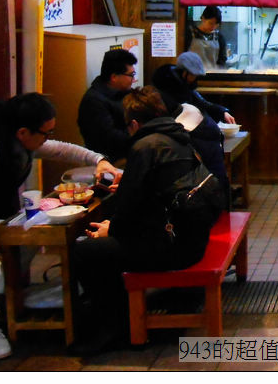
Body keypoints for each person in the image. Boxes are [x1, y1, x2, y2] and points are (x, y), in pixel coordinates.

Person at [0, 93, 121, 360]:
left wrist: (99, 160)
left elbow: (63, 149)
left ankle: (12, 306)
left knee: (26, 237)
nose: (48, 139)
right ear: (23, 131)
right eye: (45, 133)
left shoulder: (19, 142)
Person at [72, 86, 225, 354]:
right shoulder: (178, 136)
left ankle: (113, 326)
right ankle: (121, 317)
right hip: (193, 237)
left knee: (86, 251)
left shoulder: (145, 146)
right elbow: (155, 190)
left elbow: (129, 209)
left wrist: (112, 229)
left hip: (175, 247)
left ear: (133, 123)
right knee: (106, 239)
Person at [77, 48, 138, 163]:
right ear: (114, 77)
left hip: (131, 151)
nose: (133, 79)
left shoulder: (126, 92)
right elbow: (109, 139)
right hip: (109, 161)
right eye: (131, 75)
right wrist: (137, 134)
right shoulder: (93, 101)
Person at [152, 51, 236, 125]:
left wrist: (222, 112)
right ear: (184, 73)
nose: (195, 78)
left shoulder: (185, 84)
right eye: (193, 75)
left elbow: (202, 102)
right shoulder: (164, 88)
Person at [184, 5, 229, 71]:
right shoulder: (190, 34)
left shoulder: (219, 37)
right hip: (193, 75)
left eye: (216, 24)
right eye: (210, 23)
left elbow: (222, 59)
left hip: (212, 75)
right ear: (203, 18)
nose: (213, 27)